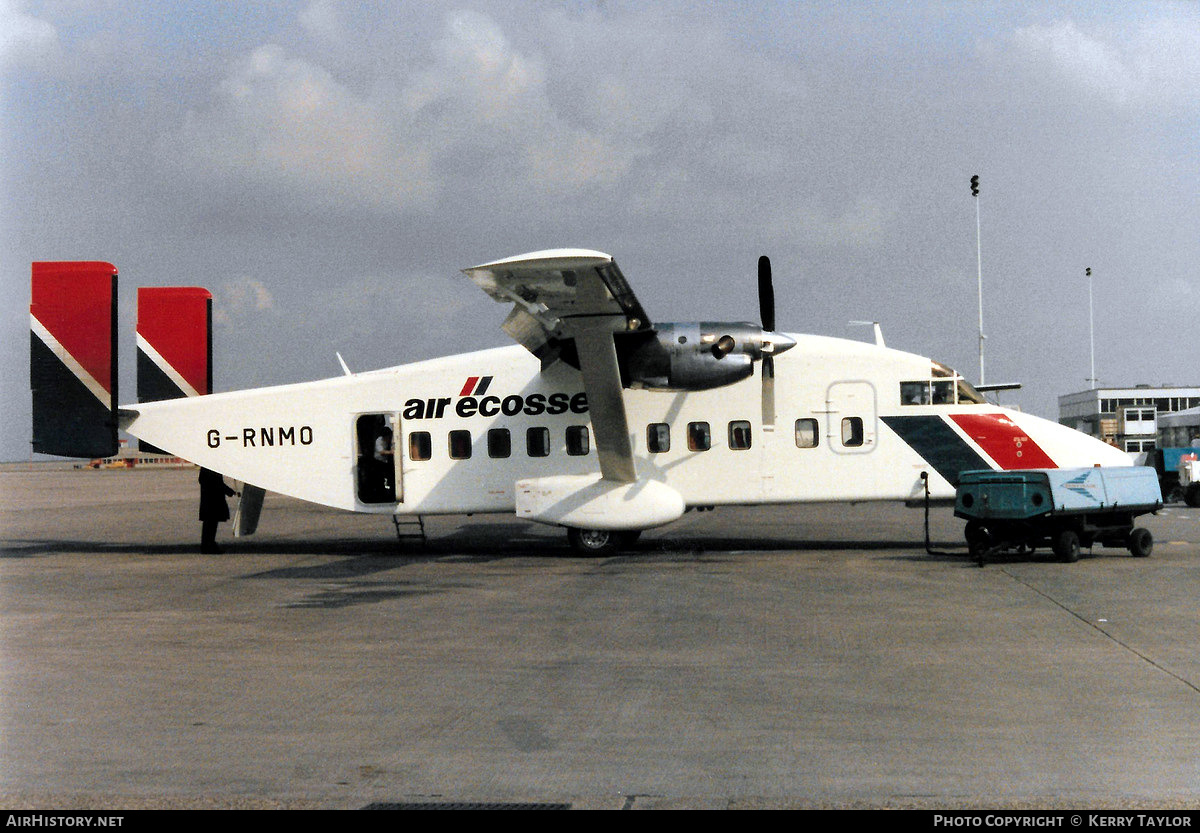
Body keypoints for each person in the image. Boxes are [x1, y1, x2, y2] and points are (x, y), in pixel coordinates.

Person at [199, 467, 237, 554]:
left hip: (209, 498)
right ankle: (208, 545)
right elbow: (217, 483)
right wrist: (229, 491)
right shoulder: (211, 468)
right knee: (211, 524)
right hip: (213, 499)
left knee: (209, 524)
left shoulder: (206, 467)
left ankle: (208, 544)